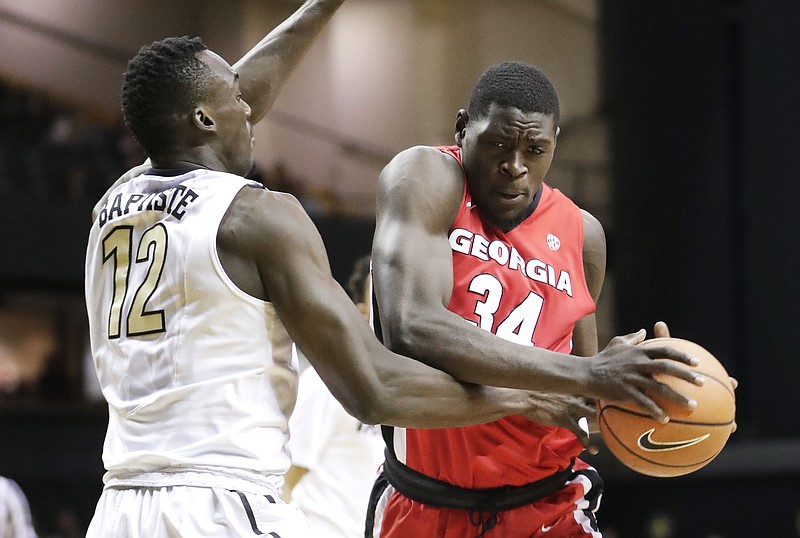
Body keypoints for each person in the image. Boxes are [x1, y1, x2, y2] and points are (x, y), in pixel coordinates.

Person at [83, 3, 632, 536]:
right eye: (236, 99)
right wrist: (527, 396)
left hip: (119, 504)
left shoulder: (116, 201)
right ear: (205, 118)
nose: (250, 105)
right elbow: (372, 387)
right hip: (222, 503)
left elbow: (204, 109)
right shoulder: (259, 216)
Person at [367, 61, 713, 537]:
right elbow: (413, 326)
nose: (514, 166)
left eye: (535, 149)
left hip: (547, 505)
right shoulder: (427, 177)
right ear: (463, 127)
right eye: (498, 145)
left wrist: (674, 389)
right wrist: (589, 373)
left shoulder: (583, 233)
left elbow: (585, 406)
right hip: (427, 502)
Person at [283, 255, 384, 538]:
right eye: (382, 294)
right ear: (361, 313)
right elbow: (284, 480)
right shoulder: (328, 382)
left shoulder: (417, 391)